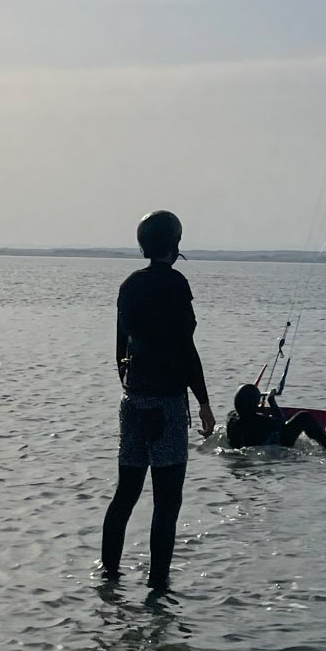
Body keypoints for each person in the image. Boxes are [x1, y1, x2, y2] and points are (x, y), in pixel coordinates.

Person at [100, 209, 216, 593]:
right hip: (166, 404)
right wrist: (202, 401)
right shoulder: (176, 285)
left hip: (132, 401)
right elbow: (186, 347)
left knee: (125, 494)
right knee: (167, 502)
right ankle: (158, 586)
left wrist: (131, 386)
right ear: (176, 244)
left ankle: (109, 578)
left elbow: (120, 348)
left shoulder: (130, 285)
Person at [225, 383, 326, 450]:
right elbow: (281, 422)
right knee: (303, 417)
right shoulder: (261, 422)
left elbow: (246, 413)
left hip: (253, 444)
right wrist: (272, 401)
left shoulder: (231, 418)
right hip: (276, 445)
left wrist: (256, 407)